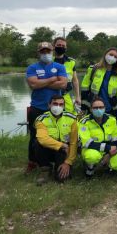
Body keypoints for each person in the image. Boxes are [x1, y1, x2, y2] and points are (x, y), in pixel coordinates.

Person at [26, 42, 68, 173]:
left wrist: (41, 82)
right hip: (37, 107)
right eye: (43, 52)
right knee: (35, 136)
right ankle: (32, 162)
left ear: (52, 51)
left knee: (58, 135)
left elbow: (63, 84)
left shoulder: (59, 66)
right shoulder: (32, 67)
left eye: (48, 51)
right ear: (38, 53)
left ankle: (56, 160)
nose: (46, 54)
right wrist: (52, 79)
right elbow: (33, 85)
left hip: (56, 107)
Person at [34, 95, 78, 184]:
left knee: (61, 179)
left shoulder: (72, 119)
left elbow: (74, 142)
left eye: (61, 104)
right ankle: (45, 169)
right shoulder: (41, 119)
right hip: (50, 148)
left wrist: (68, 162)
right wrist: (61, 145)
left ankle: (62, 166)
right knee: (37, 143)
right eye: (55, 104)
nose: (58, 107)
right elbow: (42, 139)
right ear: (49, 105)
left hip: (64, 151)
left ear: (64, 106)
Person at [79, 97, 117, 178]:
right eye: (95, 108)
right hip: (91, 148)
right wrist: (108, 148)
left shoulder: (112, 120)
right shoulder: (84, 122)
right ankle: (89, 168)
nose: (98, 109)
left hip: (108, 149)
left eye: (101, 107)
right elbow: (87, 143)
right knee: (92, 157)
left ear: (105, 108)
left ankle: (107, 168)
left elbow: (116, 140)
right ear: (91, 109)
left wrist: (109, 154)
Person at [80, 47, 117, 121]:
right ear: (105, 55)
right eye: (111, 54)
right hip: (93, 108)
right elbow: (85, 89)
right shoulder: (93, 69)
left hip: (110, 110)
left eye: (115, 56)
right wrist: (83, 108)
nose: (112, 57)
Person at [53, 37, 81, 113]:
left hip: (66, 95)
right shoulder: (48, 61)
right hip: (51, 95)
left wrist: (77, 97)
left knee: (71, 116)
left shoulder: (71, 62)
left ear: (66, 48)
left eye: (63, 46)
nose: (61, 47)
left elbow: (75, 81)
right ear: (54, 46)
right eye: (59, 45)